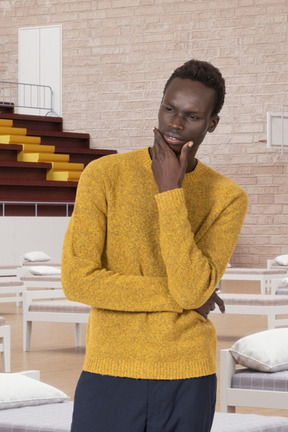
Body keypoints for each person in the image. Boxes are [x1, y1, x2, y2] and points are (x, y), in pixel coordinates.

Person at [61, 59, 248, 432]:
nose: (175, 124)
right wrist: (182, 297)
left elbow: (193, 286)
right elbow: (78, 281)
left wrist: (170, 192)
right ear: (160, 105)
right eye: (169, 108)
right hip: (109, 369)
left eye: (192, 116)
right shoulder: (103, 175)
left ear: (212, 123)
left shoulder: (227, 197)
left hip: (188, 374)